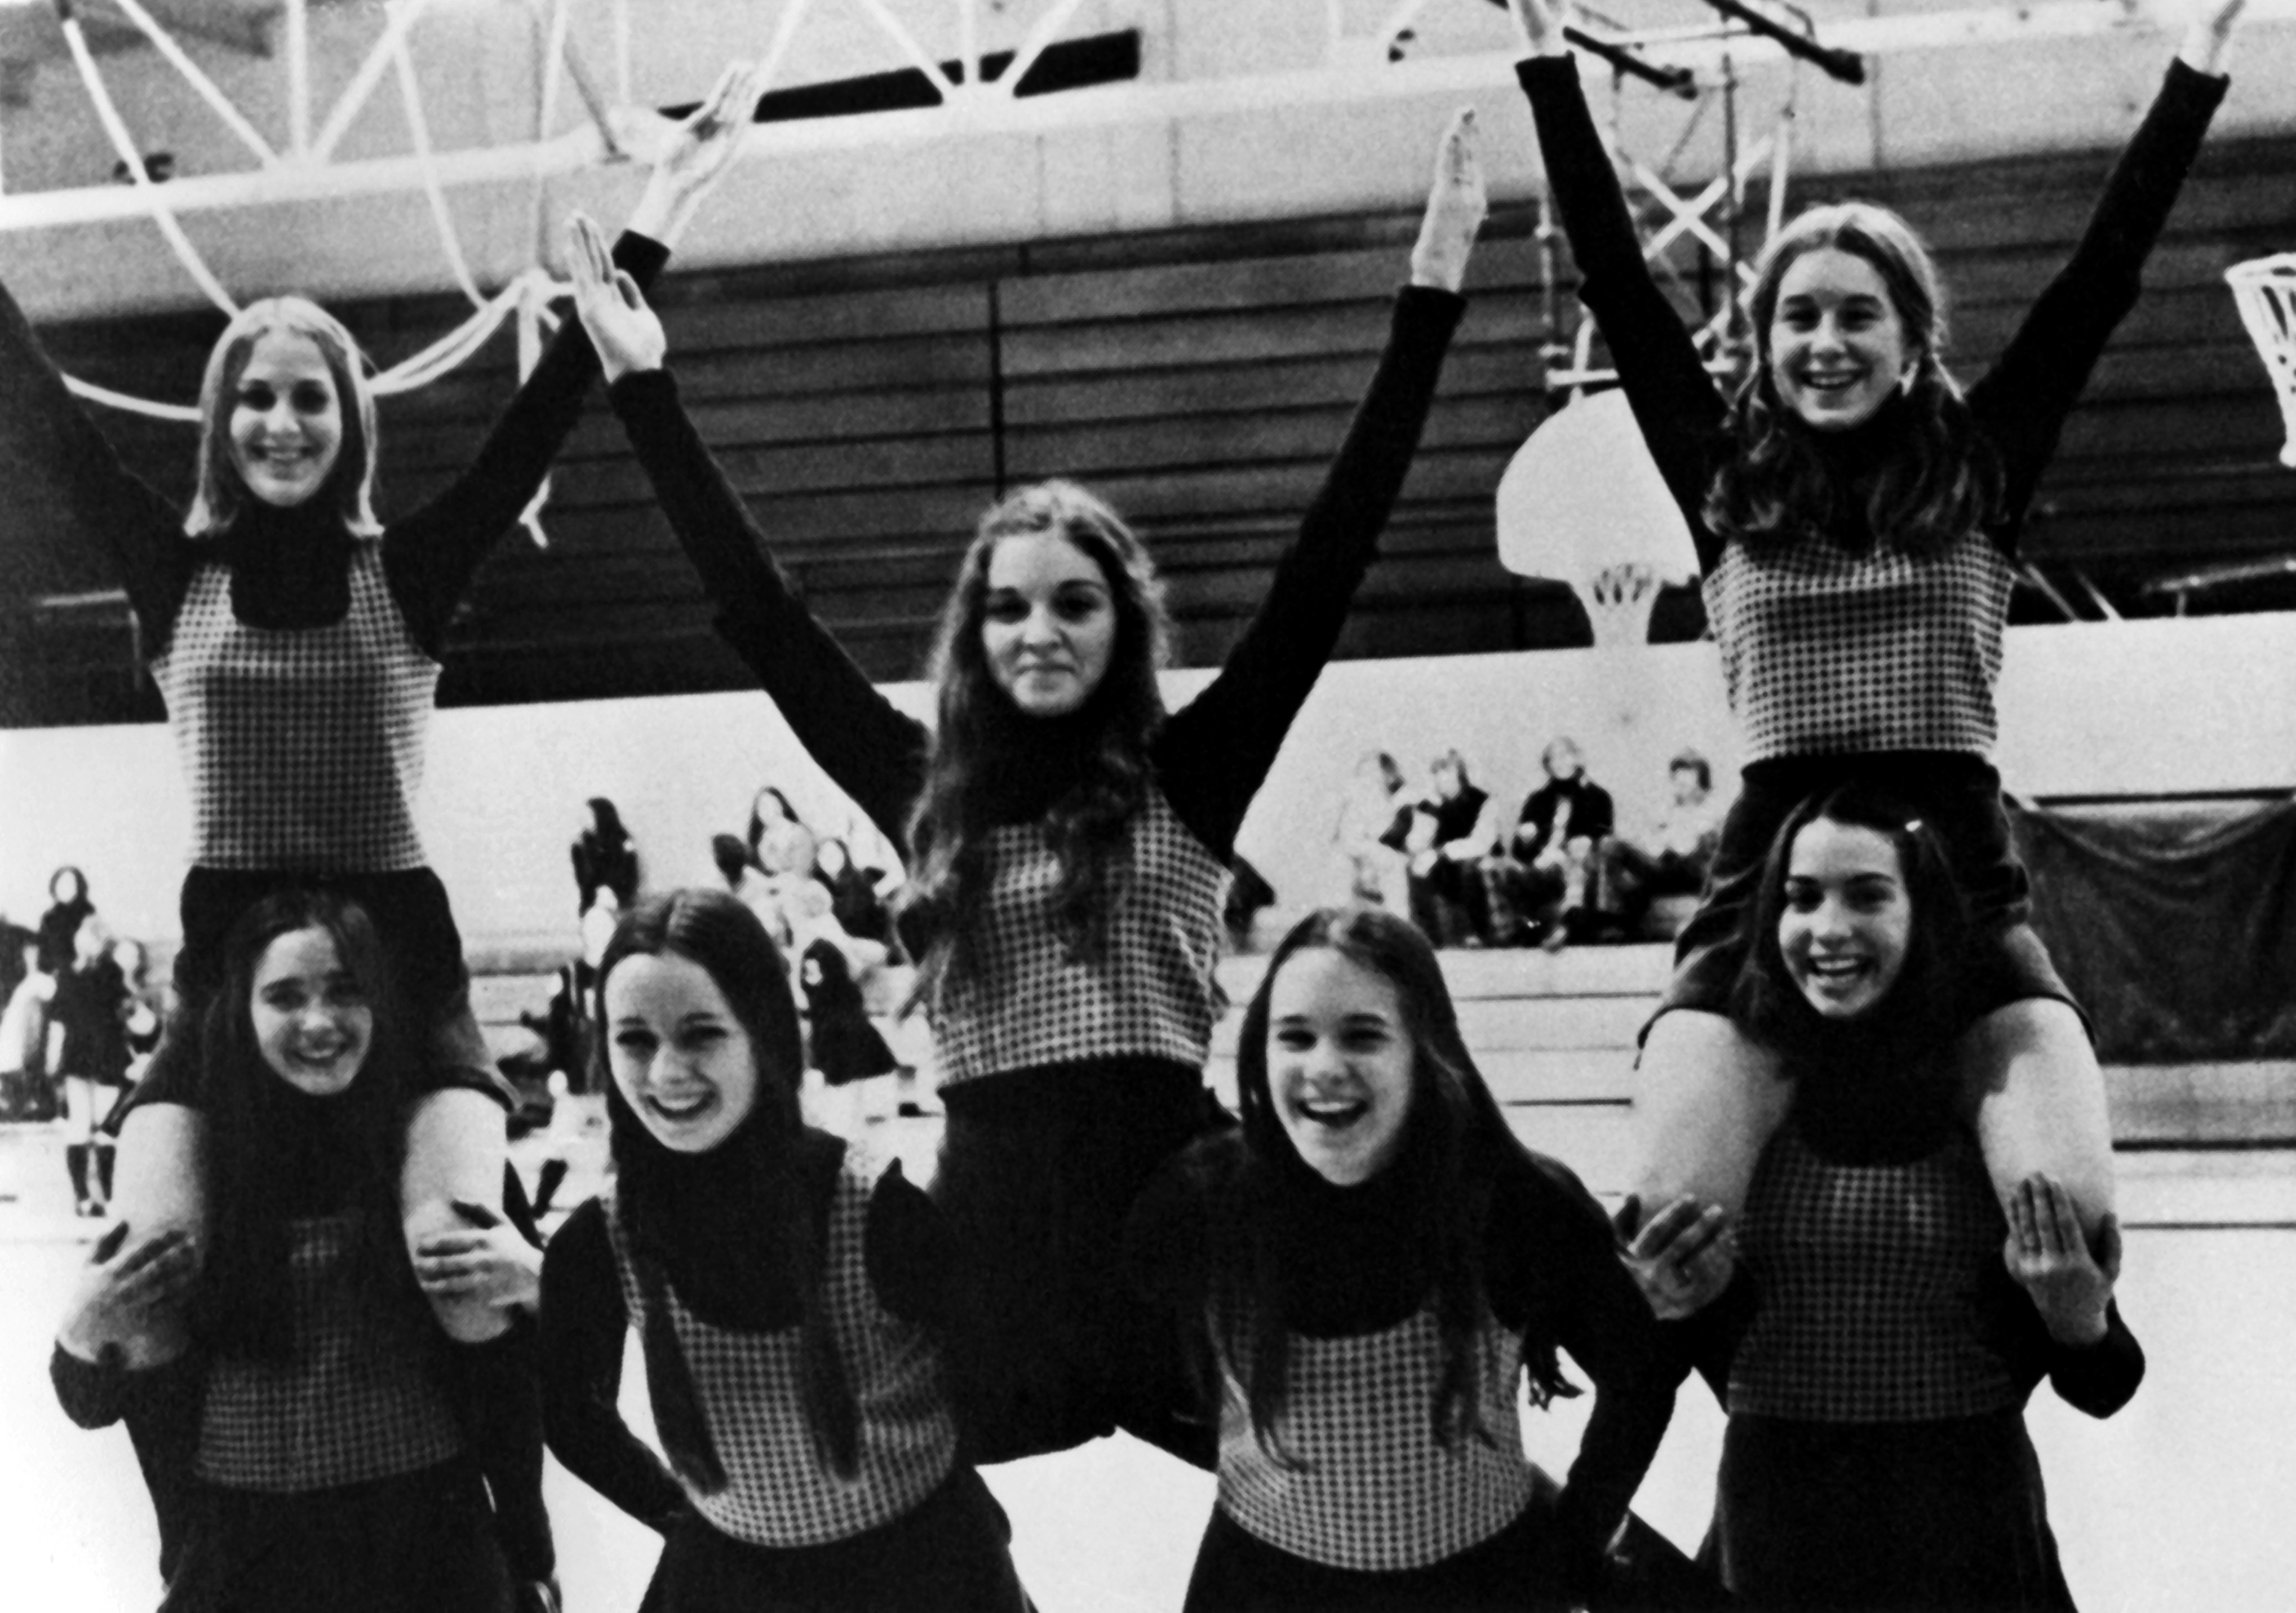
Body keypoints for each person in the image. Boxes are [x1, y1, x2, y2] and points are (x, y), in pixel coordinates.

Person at [561, 108, 1486, 1466]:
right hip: (996, 1255)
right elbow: (767, 619)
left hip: (1190, 1223)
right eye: (1007, 607)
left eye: (1073, 601)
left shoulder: (1191, 771)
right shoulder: (922, 792)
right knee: (879, 1516)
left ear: (1123, 619)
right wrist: (646, 392)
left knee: (1371, 1476)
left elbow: (1323, 570)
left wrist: (1431, 295)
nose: (1039, 630)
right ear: (974, 631)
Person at [1508, 0, 2245, 1242]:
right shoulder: (1722, 483)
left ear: (1912, 341)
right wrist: (1544, 59)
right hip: (1763, 900)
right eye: (1799, 317)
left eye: (1859, 315)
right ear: (1763, 342)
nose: (1826, 342)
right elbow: (1620, 286)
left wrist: (2202, 64)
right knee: (1670, 1224)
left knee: (2070, 1218)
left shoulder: (1981, 470)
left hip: (1962, 894)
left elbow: (2098, 280)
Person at [1629, 785, 2144, 1610]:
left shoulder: (1984, 1090)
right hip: (1780, 1520)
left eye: (1867, 894)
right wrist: (1664, 1307)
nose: (1828, 929)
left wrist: (2074, 1315)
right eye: (1801, 898)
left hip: (1966, 1521)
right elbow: (1652, 1373)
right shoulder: (1741, 1100)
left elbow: (2107, 1384)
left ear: (1921, 912)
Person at [1127, 906, 1677, 1610]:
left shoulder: (1513, 1201)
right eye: (1294, 1037)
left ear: (1426, 1051)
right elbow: (1125, 1360)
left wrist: (1575, 1539)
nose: (1324, 1067)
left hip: (1476, 1584)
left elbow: (1640, 1377)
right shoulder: (1205, 1199)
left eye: (1363, 1036)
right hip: (1262, 1583)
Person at [538, 889, 1030, 1612]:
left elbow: (995, 1386)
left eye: (701, 1034)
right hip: (735, 1580)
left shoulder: (875, 1212)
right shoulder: (598, 1242)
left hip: (919, 1570)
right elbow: (574, 1419)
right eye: (635, 1039)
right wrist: (690, 1517)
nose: (667, 1073)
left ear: (764, 1034)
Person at [50, 889, 533, 1612]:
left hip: (429, 1551)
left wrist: (539, 1282)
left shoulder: (433, 1156)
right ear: (242, 1014)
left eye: (347, 991)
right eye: (284, 996)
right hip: (246, 1557)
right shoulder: (191, 1170)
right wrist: (79, 1333)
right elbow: (93, 1403)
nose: (319, 1022)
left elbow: (526, 1381)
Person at [1479, 737, 1614, 951]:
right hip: (1538, 868)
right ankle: (1506, 932)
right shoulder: (1537, 800)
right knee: (1491, 867)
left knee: (1577, 854)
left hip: (1570, 866)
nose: (1559, 763)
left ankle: (1568, 926)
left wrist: (1582, 843)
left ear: (1577, 760)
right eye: (1553, 760)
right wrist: (1524, 839)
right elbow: (1518, 852)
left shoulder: (1597, 797)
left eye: (1564, 756)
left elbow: (1604, 838)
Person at [1592, 748, 1723, 941]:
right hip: (1666, 867)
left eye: (1688, 779)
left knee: (1701, 843)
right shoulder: (1668, 808)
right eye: (1677, 780)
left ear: (1701, 780)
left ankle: (1626, 915)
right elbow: (1652, 844)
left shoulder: (1712, 807)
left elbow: (1688, 847)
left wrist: (1668, 836)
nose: (1681, 785)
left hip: (1694, 871)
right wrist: (1657, 838)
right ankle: (1611, 918)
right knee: (1610, 845)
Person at [50, 913, 132, 1216]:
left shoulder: (111, 973)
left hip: (107, 1054)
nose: (92, 942)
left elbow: (124, 1009)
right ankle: (83, 1196)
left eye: (99, 937)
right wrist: (53, 1061)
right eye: (88, 935)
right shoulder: (66, 975)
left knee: (105, 1130)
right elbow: (58, 1020)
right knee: (80, 1128)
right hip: (78, 1056)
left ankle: (107, 1196)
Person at [1405, 749, 1501, 947]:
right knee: (1415, 870)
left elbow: (1482, 843)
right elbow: (1414, 844)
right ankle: (1429, 939)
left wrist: (1441, 852)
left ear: (1460, 773)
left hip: (1474, 861)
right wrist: (1429, 817)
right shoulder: (1429, 805)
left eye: (1447, 772)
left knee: (1470, 868)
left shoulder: (1483, 800)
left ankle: (1479, 933)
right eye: (1437, 773)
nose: (1442, 779)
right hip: (1442, 866)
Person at [1329, 749, 1413, 911]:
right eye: (1364, 773)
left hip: (1377, 854)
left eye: (1374, 773)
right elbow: (1348, 838)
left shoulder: (1395, 800)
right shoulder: (1355, 799)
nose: (1369, 778)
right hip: (1356, 853)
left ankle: (1398, 923)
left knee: (1395, 866)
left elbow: (1389, 832)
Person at [572, 796, 641, 918]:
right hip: (593, 904)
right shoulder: (582, 845)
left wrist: (611, 891)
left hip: (619, 903)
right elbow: (584, 881)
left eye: (588, 816)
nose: (582, 820)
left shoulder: (623, 842)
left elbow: (630, 878)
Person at [37, 865, 96, 977]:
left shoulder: (88, 913)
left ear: (79, 886)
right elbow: (43, 953)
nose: (65, 888)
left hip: (83, 971)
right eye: (62, 884)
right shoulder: (49, 918)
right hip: (55, 973)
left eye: (70, 884)